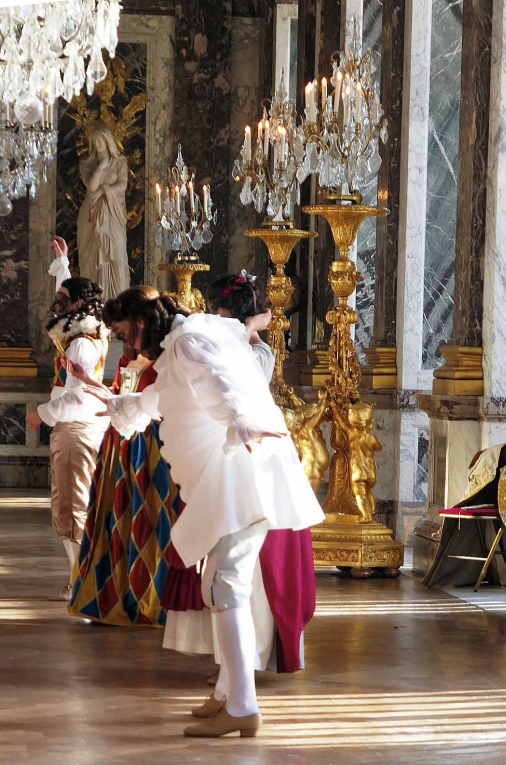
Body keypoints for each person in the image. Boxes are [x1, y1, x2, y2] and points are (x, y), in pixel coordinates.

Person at [86, 289, 324, 738]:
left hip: (238, 473)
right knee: (218, 585)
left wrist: (240, 421)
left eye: (124, 334)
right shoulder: (192, 338)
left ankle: (242, 706)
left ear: (141, 321)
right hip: (233, 474)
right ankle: (227, 697)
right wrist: (120, 405)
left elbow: (220, 384)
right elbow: (160, 400)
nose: (129, 346)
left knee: (223, 585)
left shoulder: (188, 343)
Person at [164, 274, 317, 708]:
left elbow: (237, 388)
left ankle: (243, 670)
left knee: (242, 575)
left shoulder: (254, 352)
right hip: (222, 457)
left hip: (246, 462)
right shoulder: (217, 342)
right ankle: (230, 675)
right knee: (221, 574)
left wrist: (248, 332)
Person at [66, 285, 182, 626]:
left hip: (154, 448)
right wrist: (95, 386)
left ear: (141, 322)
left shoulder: (168, 355)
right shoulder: (127, 356)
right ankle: (116, 592)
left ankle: (154, 597)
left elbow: (155, 404)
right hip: (120, 445)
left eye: (122, 332)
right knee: (117, 516)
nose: (123, 341)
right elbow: (122, 395)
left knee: (152, 517)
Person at [25, 237, 110, 600]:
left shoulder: (80, 344)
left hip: (76, 428)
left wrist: (41, 414)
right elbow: (71, 304)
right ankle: (79, 575)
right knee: (74, 501)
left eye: (62, 300)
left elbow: (76, 394)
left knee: (71, 504)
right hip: (83, 427)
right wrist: (64, 264)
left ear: (77, 305)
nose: (54, 305)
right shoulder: (87, 328)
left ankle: (80, 580)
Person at [77, 123, 130, 299]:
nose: (98, 144)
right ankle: (94, 304)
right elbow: (91, 186)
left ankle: (118, 302)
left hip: (113, 215)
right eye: (94, 141)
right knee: (92, 258)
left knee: (117, 254)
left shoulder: (120, 162)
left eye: (100, 140)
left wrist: (104, 190)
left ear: (108, 141)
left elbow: (122, 185)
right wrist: (101, 167)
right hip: (91, 215)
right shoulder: (86, 164)